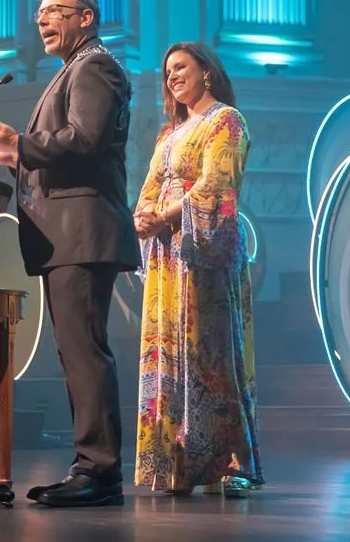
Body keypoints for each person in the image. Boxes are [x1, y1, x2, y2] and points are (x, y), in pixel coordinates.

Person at [0, 0, 140, 507]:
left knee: (84, 355)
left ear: (85, 17)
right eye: (39, 13)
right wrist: (13, 156)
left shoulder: (95, 66)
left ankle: (99, 471)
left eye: (54, 11)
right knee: (76, 354)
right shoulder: (74, 69)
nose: (42, 20)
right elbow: (66, 151)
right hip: (68, 237)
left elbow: (85, 140)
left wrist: (21, 144)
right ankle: (91, 466)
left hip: (83, 234)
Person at [132, 42, 264, 496]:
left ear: (206, 71)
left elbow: (216, 186)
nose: (172, 76)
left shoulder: (226, 121)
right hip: (168, 255)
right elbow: (150, 185)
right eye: (167, 71)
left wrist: (163, 215)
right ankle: (177, 463)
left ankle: (228, 463)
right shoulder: (169, 133)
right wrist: (143, 216)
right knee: (170, 350)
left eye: (180, 67)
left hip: (205, 250)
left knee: (210, 350)